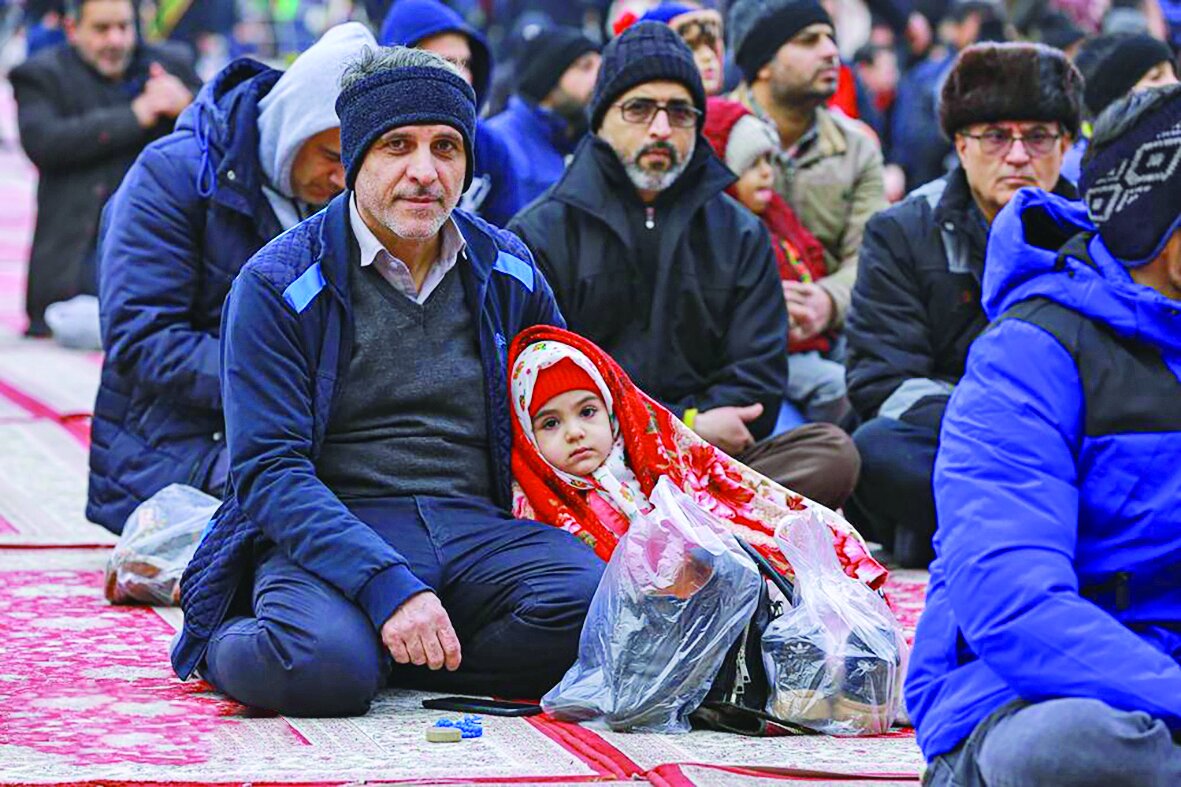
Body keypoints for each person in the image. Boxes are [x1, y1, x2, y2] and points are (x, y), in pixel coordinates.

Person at [172, 47, 602, 717]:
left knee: (598, 607)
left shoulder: (508, 268)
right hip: (336, 523)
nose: (424, 172)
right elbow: (268, 471)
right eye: (397, 146)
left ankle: (397, 655)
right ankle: (235, 639)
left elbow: (562, 402)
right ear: (354, 159)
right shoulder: (277, 283)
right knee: (320, 668)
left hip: (477, 528)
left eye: (445, 147)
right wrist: (385, 585)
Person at [909, 84, 1181, 787]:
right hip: (1031, 691)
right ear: (1161, 233)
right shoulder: (1028, 354)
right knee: (1065, 749)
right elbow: (1014, 607)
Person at [511, 22, 860, 511]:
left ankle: (674, 520)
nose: (660, 129)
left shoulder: (739, 232)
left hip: (708, 463)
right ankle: (701, 522)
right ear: (602, 118)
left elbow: (757, 384)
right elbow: (541, 389)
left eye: (679, 112)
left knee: (831, 453)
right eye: (639, 109)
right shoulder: (542, 232)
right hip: (591, 465)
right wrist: (685, 424)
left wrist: (691, 438)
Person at [87, 23, 375, 534]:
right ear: (291, 129)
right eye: (331, 157)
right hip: (178, 445)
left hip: (298, 429)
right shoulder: (173, 176)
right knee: (318, 508)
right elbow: (141, 338)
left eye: (354, 165)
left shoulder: (349, 200)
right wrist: (284, 385)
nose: (340, 179)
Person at [843, 42, 1081, 567]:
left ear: (1065, 144)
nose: (1017, 156)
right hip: (954, 435)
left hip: (1062, 434)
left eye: (1037, 137)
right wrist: (997, 422)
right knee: (873, 448)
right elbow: (882, 379)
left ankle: (958, 530)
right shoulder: (903, 230)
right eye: (995, 136)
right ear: (960, 143)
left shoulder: (1095, 232)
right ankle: (1046, 527)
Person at [508, 325, 886, 587]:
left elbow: (760, 368)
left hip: (702, 453)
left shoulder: (650, 457)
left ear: (613, 412)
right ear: (527, 434)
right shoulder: (538, 507)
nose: (574, 432)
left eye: (588, 412)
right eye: (551, 423)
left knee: (830, 450)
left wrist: (691, 426)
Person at [10, 0, 200, 338]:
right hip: (75, 267)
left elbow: (223, 127)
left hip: (161, 259)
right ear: (72, 29)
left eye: (124, 27)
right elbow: (45, 142)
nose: (116, 40)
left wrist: (187, 104)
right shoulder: (41, 74)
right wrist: (136, 115)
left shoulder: (170, 66)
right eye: (101, 29)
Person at [726, 0, 887, 342]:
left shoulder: (857, 148)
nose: (831, 52)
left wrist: (828, 301)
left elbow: (871, 256)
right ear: (763, 64)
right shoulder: (714, 138)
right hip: (732, 337)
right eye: (808, 41)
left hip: (834, 337)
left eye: (830, 38)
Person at [702, 98, 852, 427]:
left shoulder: (776, 214)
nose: (767, 173)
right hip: (779, 352)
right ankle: (830, 438)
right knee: (836, 387)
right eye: (752, 165)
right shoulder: (723, 231)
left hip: (815, 335)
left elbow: (811, 256)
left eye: (769, 160)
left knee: (864, 356)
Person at [379, 0, 505, 220]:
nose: (461, 75)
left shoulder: (489, 146)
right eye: (445, 62)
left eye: (466, 63)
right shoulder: (370, 141)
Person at [481, 27, 600, 226]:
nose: (598, 78)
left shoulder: (591, 139)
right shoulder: (498, 140)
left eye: (601, 67)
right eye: (585, 66)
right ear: (549, 75)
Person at [1061, 32, 1178, 183]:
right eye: (1156, 77)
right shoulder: (1081, 175)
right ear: (1116, 103)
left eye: (1174, 74)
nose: (1175, 84)